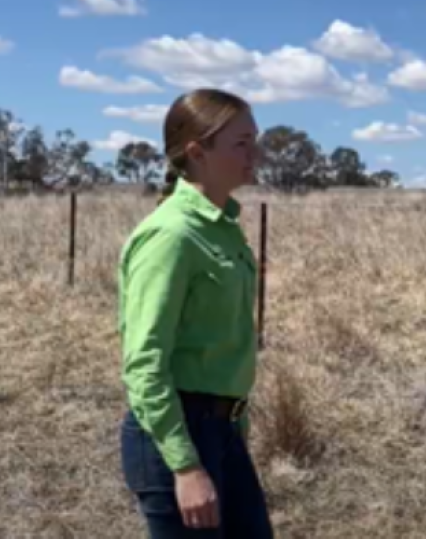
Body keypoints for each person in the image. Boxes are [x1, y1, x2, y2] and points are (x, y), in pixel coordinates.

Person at [116, 88, 274, 537]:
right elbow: (144, 364)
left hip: (220, 432)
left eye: (254, 140)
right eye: (241, 143)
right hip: (177, 436)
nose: (255, 153)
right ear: (197, 152)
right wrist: (185, 466)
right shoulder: (172, 236)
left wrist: (233, 428)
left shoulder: (222, 228)